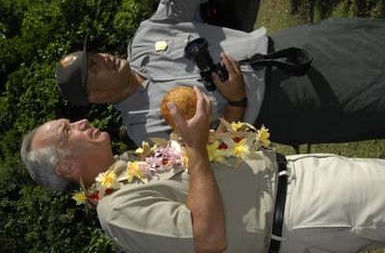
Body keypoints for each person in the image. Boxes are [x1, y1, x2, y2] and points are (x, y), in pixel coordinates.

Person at [21, 87, 385, 253]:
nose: (82, 121)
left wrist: (230, 104)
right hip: (299, 211)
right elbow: (208, 239)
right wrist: (193, 146)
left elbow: (217, 162)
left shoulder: (133, 162)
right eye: (68, 129)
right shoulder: (114, 210)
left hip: (299, 175)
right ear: (67, 165)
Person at [55, 0, 385, 147]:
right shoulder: (147, 133)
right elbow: (221, 154)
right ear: (95, 96)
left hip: (292, 47)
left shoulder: (145, 39)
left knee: (373, 38)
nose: (103, 58)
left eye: (94, 54)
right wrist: (235, 101)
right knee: (374, 104)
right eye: (93, 68)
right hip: (287, 108)